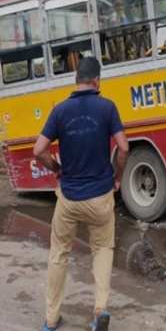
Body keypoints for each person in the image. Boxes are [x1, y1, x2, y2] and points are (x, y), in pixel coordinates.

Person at [33, 57, 129, 331]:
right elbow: (123, 147)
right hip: (100, 196)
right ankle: (100, 310)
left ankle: (51, 319)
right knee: (102, 249)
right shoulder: (107, 107)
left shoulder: (60, 110)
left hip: (69, 198)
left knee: (59, 253)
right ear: (97, 80)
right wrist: (118, 178)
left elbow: (38, 150)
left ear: (77, 79)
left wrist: (57, 169)